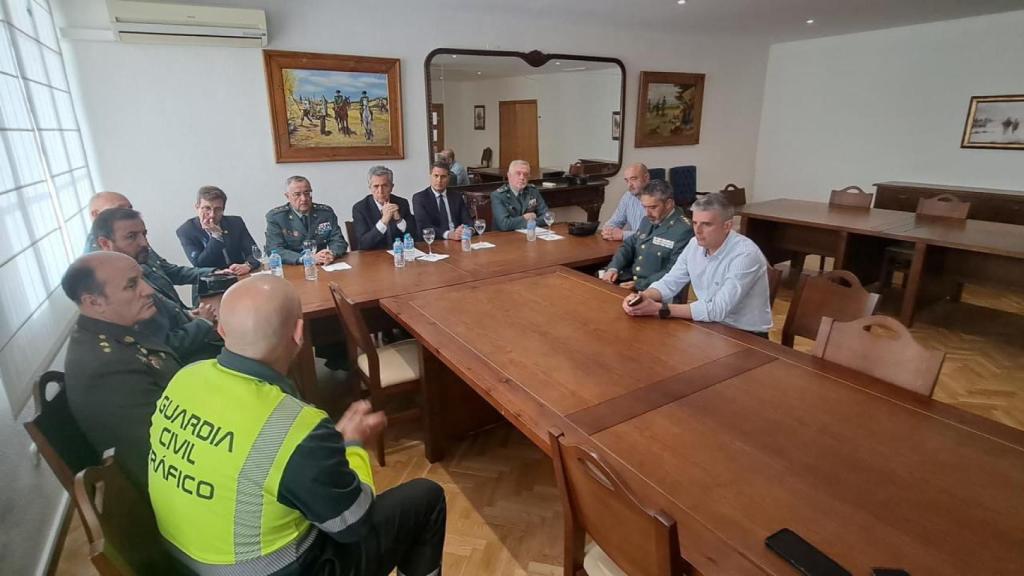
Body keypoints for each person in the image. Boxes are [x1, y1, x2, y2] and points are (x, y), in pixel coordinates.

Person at [148, 276, 447, 576]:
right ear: (299, 334)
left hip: (184, 561)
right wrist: (352, 445)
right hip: (278, 570)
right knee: (425, 498)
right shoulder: (296, 425)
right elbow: (352, 522)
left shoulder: (184, 377)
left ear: (221, 329)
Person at [62, 251, 181, 488]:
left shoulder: (111, 332)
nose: (148, 290)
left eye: (142, 279)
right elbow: (164, 448)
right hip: (173, 481)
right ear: (94, 302)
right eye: (131, 285)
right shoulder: (106, 367)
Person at [622, 192, 772, 336]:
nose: (698, 231)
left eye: (706, 224)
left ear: (727, 226)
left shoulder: (745, 255)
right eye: (695, 223)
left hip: (746, 335)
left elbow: (718, 310)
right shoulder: (694, 244)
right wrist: (642, 297)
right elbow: (670, 281)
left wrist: (659, 309)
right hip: (709, 326)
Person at [93, 208, 223, 362]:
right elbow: (164, 347)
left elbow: (174, 275)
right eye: (131, 237)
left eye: (144, 234)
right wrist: (203, 322)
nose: (144, 243)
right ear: (105, 243)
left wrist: (187, 314)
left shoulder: (141, 256)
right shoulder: (118, 292)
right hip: (192, 360)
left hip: (193, 328)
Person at [602, 180, 692, 292]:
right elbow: (629, 245)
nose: (647, 213)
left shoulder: (683, 230)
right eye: (644, 207)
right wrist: (613, 268)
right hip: (631, 284)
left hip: (657, 292)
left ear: (669, 204)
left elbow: (674, 271)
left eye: (653, 207)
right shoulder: (647, 221)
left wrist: (640, 284)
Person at [265, 175, 348, 265]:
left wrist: (331, 253)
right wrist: (306, 259)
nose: (304, 199)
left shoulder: (325, 213)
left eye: (307, 193)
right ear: (287, 196)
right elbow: (275, 249)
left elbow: (338, 241)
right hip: (292, 268)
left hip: (323, 265)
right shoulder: (277, 217)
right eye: (297, 194)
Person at [176, 185, 260, 273]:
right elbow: (199, 264)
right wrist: (216, 236)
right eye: (207, 208)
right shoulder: (186, 230)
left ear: (223, 209)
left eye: (217, 209)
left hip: (240, 275)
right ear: (197, 207)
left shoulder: (236, 223)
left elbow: (255, 252)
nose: (212, 214)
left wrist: (248, 265)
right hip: (211, 281)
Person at [352, 165, 417, 250]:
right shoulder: (360, 208)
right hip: (373, 258)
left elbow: (414, 236)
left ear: (391, 187)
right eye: (376, 186)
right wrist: (383, 222)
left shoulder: (402, 203)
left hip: (400, 254)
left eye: (385, 186)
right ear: (370, 188)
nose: (380, 191)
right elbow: (363, 244)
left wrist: (399, 220)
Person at [412, 161, 473, 242]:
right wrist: (449, 234)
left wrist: (466, 230)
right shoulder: (419, 198)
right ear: (430, 176)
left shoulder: (457, 196)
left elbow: (468, 221)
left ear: (448, 178)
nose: (439, 180)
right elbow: (424, 226)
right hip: (434, 242)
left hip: (458, 240)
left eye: (443, 176)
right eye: (436, 176)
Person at [490, 160, 550, 231]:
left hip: (529, 234)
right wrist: (525, 218)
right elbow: (504, 224)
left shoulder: (533, 191)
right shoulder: (498, 195)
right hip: (504, 237)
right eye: (518, 173)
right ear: (509, 176)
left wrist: (530, 222)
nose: (522, 178)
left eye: (525, 174)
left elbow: (547, 217)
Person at [601, 163, 650, 241]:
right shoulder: (628, 196)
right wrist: (608, 230)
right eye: (627, 180)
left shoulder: (658, 198)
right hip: (633, 246)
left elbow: (654, 234)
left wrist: (623, 235)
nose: (629, 185)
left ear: (646, 178)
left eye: (633, 179)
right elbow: (615, 220)